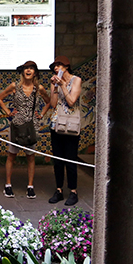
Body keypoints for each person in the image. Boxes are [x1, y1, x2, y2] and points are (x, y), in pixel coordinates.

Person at [0, 60, 50, 199]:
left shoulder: (39, 89)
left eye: (31, 68)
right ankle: (8, 185)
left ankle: (30, 186)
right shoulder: (15, 86)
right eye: (26, 68)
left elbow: (48, 101)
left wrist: (41, 114)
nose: (28, 70)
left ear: (35, 73)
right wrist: (8, 112)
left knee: (30, 157)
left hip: (31, 126)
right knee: (11, 155)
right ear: (22, 72)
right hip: (17, 125)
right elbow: (0, 98)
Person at [47, 55, 82, 206]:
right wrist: (54, 87)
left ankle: (73, 191)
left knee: (70, 159)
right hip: (56, 124)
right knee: (58, 159)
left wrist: (62, 85)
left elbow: (72, 102)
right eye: (54, 66)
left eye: (59, 65)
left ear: (66, 66)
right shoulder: (55, 82)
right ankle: (59, 190)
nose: (56, 68)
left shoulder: (76, 80)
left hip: (71, 125)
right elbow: (54, 104)